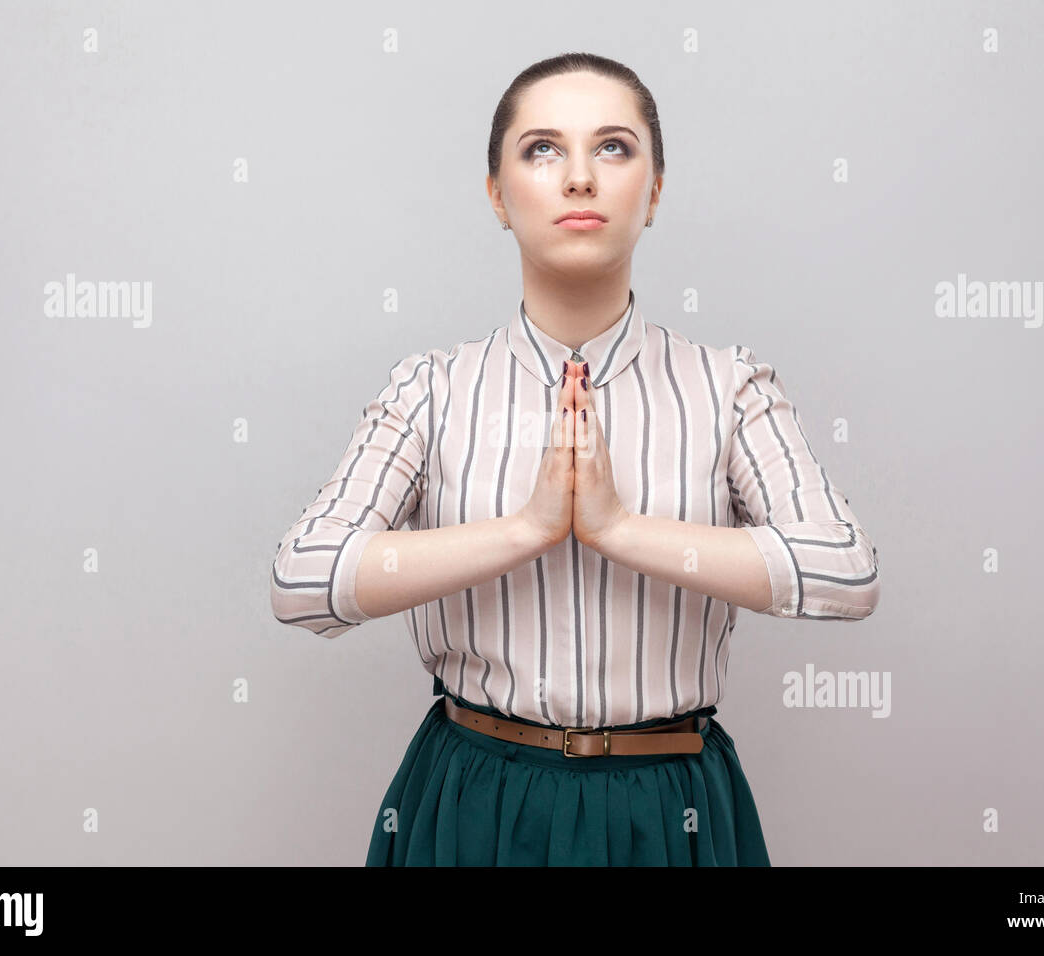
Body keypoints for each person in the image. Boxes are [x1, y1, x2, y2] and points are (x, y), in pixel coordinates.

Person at [270, 52, 881, 866]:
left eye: (615, 148)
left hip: (669, 808)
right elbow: (301, 583)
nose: (580, 178)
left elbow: (846, 572)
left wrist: (616, 527)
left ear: (655, 190)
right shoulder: (431, 389)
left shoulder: (729, 387)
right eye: (543, 149)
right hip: (475, 800)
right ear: (497, 194)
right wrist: (526, 529)